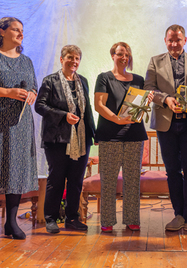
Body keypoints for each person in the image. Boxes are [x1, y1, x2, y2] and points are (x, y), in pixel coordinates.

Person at [144, 25, 187, 235]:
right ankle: (178, 214)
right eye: (170, 40)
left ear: (185, 40)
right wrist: (166, 99)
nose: (174, 44)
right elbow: (148, 89)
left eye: (178, 40)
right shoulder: (155, 61)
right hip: (167, 124)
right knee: (172, 170)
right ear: (165, 40)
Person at [35, 45, 95, 234]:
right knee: (57, 179)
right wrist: (63, 115)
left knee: (76, 180)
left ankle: (72, 218)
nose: (74, 61)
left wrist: (94, 133)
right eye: (70, 57)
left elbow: (87, 110)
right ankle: (51, 218)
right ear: (62, 59)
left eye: (77, 58)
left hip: (81, 138)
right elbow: (40, 106)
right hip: (57, 139)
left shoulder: (83, 81)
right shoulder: (50, 81)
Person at [94, 42, 153, 233]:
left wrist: (147, 100)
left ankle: (132, 219)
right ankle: (108, 221)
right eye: (120, 54)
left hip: (134, 135)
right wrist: (117, 120)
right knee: (109, 180)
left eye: (127, 54)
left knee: (132, 180)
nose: (124, 57)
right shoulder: (104, 78)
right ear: (112, 55)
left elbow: (139, 107)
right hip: (109, 136)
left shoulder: (139, 79)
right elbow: (99, 105)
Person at [0, 17, 38, 240]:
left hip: (20, 123)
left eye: (22, 30)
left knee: (14, 171)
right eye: (16, 29)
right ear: (2, 32)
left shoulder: (27, 61)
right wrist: (7, 92)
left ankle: (11, 222)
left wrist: (32, 93)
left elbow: (33, 85)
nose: (20, 33)